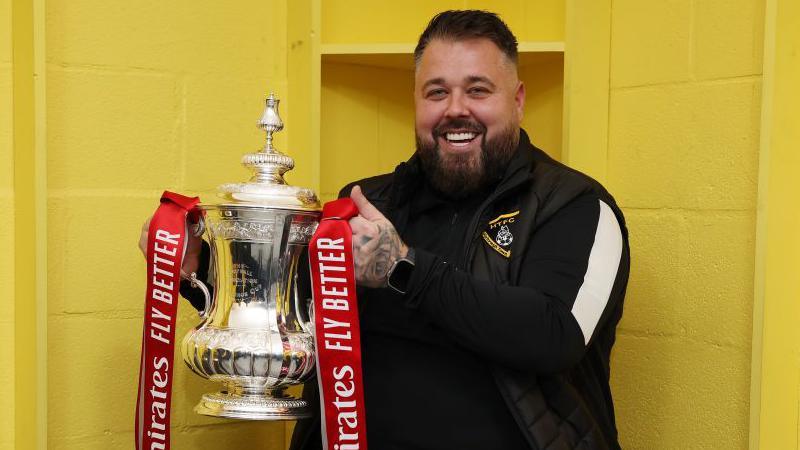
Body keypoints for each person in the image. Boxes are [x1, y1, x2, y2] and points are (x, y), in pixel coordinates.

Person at [141, 10, 629, 450]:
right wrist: (197, 266)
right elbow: (291, 316)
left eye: (478, 90)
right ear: (416, 102)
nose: (455, 109)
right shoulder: (366, 204)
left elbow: (553, 335)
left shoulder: (576, 206)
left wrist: (405, 269)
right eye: (436, 91)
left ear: (518, 100)